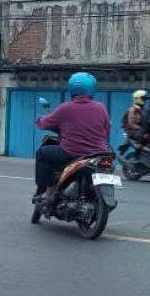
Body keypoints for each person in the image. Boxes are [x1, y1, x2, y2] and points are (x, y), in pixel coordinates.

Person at [34, 72, 110, 205]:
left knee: (42, 153)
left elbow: (46, 122)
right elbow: (107, 129)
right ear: (92, 89)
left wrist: (39, 120)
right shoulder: (101, 107)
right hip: (97, 153)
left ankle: (43, 191)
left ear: (72, 89)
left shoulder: (65, 108)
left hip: (71, 153)